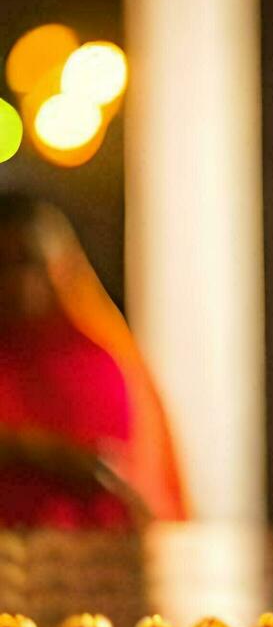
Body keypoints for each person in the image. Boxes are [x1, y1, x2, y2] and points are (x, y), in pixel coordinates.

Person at [0, 193, 187, 525]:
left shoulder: (101, 365)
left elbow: (121, 481)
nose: (13, 281)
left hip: (86, 557)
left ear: (60, 269)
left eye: (26, 262)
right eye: (2, 264)